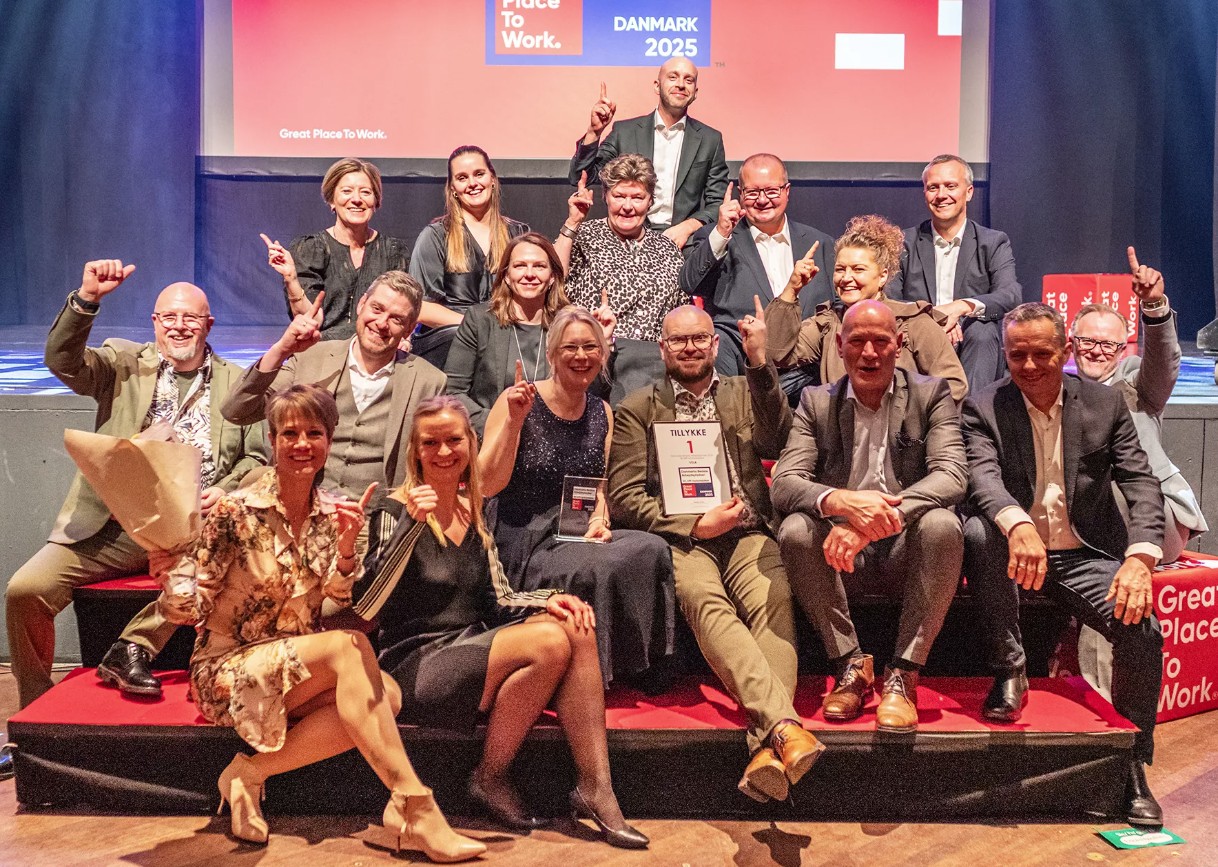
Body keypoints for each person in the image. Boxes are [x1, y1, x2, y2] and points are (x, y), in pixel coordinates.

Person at [177, 384, 483, 859]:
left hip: (294, 669)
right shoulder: (234, 512)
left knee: (389, 694)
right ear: (272, 440)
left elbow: (338, 602)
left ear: (329, 441)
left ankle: (249, 773)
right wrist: (171, 580)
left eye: (314, 433)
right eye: (289, 433)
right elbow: (191, 604)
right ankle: (413, 805)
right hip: (227, 671)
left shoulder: (332, 516)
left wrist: (345, 556)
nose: (302, 444)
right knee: (348, 646)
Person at [361, 396, 648, 848]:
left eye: (454, 440)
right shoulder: (391, 508)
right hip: (416, 660)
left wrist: (551, 598)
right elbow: (368, 606)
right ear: (415, 450)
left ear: (470, 444)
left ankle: (595, 787)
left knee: (575, 624)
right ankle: (492, 776)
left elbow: (501, 598)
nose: (443, 451)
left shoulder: (471, 508)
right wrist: (411, 526)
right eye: (430, 442)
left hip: (472, 644)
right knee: (550, 641)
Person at [5, 260, 267, 708]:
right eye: (169, 317)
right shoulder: (123, 364)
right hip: (111, 528)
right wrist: (88, 299)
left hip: (193, 528)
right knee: (25, 591)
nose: (179, 326)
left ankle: (132, 647)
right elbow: (62, 361)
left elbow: (257, 457)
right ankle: (34, 706)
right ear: (155, 322)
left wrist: (224, 488)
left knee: (227, 554)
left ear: (209, 324)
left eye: (190, 318)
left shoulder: (237, 383)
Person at [608, 302, 825, 804]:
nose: (689, 348)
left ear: (714, 343)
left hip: (748, 531)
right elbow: (624, 497)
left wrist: (760, 364)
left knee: (774, 600)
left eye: (698, 338)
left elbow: (778, 439)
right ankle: (784, 729)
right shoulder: (637, 408)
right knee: (706, 603)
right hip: (686, 538)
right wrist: (694, 524)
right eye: (678, 340)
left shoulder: (744, 391)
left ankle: (768, 746)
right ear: (663, 348)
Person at [961, 303, 1166, 828]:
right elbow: (982, 477)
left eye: (1041, 354)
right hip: (1012, 551)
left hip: (1083, 553)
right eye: (1017, 355)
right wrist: (1017, 523)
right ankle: (1011, 670)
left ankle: (1132, 764)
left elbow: (1140, 481)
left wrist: (1141, 557)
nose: (1028, 366)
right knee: (979, 530)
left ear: (1066, 351)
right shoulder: (983, 406)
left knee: (1142, 627)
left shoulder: (1104, 403)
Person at [771, 301, 967, 732]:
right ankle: (850, 665)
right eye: (857, 341)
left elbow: (952, 475)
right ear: (840, 346)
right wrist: (842, 503)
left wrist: (876, 520)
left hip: (906, 549)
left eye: (881, 341)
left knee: (943, 525)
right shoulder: (816, 401)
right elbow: (784, 482)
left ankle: (904, 675)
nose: (869, 353)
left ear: (900, 344)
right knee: (796, 530)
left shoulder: (930, 394)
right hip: (841, 555)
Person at [479, 307, 674, 688]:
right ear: (552, 354)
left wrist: (600, 520)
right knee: (596, 566)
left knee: (651, 547)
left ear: (602, 355)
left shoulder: (602, 411)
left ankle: (640, 669)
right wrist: (514, 422)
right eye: (570, 347)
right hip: (524, 538)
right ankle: (588, 678)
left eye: (590, 347)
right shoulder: (518, 399)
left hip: (575, 529)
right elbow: (487, 485)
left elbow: (599, 486)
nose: (581, 356)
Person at [1070, 248, 1207, 701]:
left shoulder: (1137, 382)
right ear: (1071, 342)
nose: (1097, 351)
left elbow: (1164, 361)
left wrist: (1153, 306)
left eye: (1109, 345)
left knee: (1104, 556)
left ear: (1123, 349)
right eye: (1088, 341)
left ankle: (1104, 702)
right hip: (1092, 527)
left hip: (1153, 519)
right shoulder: (1058, 390)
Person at [221, 271, 445, 499]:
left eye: (396, 319)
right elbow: (235, 411)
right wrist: (281, 350)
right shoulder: (310, 358)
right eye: (377, 309)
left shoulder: (429, 382)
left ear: (409, 329)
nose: (381, 323)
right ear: (361, 304)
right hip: (305, 508)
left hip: (380, 515)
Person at [765, 215, 967, 403]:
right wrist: (792, 289)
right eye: (840, 269)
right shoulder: (828, 323)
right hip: (843, 428)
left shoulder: (913, 322)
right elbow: (776, 353)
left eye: (858, 269)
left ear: (882, 276)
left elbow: (954, 385)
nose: (846, 278)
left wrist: (906, 415)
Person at [681, 154, 835, 377]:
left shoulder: (820, 243)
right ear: (741, 194)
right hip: (740, 370)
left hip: (807, 372)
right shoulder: (718, 237)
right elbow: (690, 284)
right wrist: (721, 232)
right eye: (753, 192)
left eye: (771, 191)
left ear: (787, 191)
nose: (762, 200)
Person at [557, 154, 689, 402]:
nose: (627, 206)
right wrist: (572, 223)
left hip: (655, 365)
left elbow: (680, 311)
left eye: (637, 197)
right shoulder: (584, 235)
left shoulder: (667, 248)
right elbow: (553, 281)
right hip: (598, 361)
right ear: (605, 196)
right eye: (619, 196)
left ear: (650, 201)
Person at [886, 154, 1023, 389]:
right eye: (933, 187)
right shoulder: (903, 243)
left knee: (982, 331)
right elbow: (890, 300)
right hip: (919, 339)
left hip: (972, 342)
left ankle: (971, 412)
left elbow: (1010, 294)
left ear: (969, 192)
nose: (941, 195)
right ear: (925, 193)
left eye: (950, 186)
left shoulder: (993, 242)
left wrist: (961, 307)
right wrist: (934, 320)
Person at [568, 59, 729, 250]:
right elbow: (581, 177)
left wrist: (687, 228)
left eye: (688, 80)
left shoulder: (710, 139)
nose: (680, 84)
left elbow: (718, 203)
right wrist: (594, 132)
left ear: (695, 92)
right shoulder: (624, 132)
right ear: (657, 86)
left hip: (683, 244)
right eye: (673, 77)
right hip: (626, 240)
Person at [261, 157, 410, 341]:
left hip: (377, 347)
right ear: (332, 200)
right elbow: (312, 320)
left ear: (376, 201)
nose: (357, 199)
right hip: (324, 349)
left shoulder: (394, 251)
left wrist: (404, 341)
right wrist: (291, 279)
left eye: (365, 192)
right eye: (347, 191)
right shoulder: (310, 249)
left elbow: (402, 312)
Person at [409, 145, 530, 368]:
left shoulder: (519, 233)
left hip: (507, 337)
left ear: (492, 179)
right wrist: (478, 327)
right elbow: (422, 307)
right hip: (450, 339)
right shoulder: (435, 236)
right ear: (453, 188)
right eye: (462, 178)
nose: (472, 183)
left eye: (479, 174)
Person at [444, 232, 577, 436]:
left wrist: (604, 343)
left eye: (539, 266)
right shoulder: (480, 320)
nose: (529, 274)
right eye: (520, 265)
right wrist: (502, 424)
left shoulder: (568, 324)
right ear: (506, 275)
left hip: (554, 439)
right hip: (492, 437)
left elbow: (587, 392)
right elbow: (453, 392)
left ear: (552, 276)